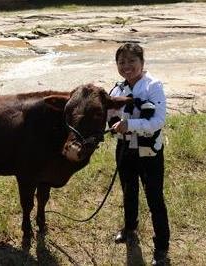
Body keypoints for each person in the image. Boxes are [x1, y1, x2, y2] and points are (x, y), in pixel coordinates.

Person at [107, 43, 170, 266]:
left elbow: (158, 121)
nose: (126, 66)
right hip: (124, 149)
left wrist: (129, 125)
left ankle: (161, 248)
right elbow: (110, 114)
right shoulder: (117, 89)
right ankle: (129, 229)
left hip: (149, 151)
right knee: (128, 190)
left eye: (132, 61)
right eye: (122, 62)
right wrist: (113, 122)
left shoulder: (153, 86)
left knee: (154, 197)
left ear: (142, 63)